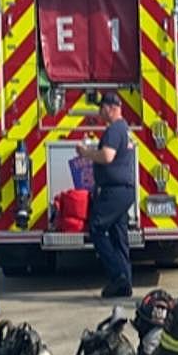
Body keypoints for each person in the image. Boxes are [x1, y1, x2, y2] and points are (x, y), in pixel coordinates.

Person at [77, 92, 136, 298]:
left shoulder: (114, 130)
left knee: (97, 228)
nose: (100, 112)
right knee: (119, 236)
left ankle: (117, 275)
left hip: (114, 191)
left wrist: (86, 153)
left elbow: (107, 156)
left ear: (111, 108)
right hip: (124, 190)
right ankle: (125, 283)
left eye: (102, 108)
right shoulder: (124, 129)